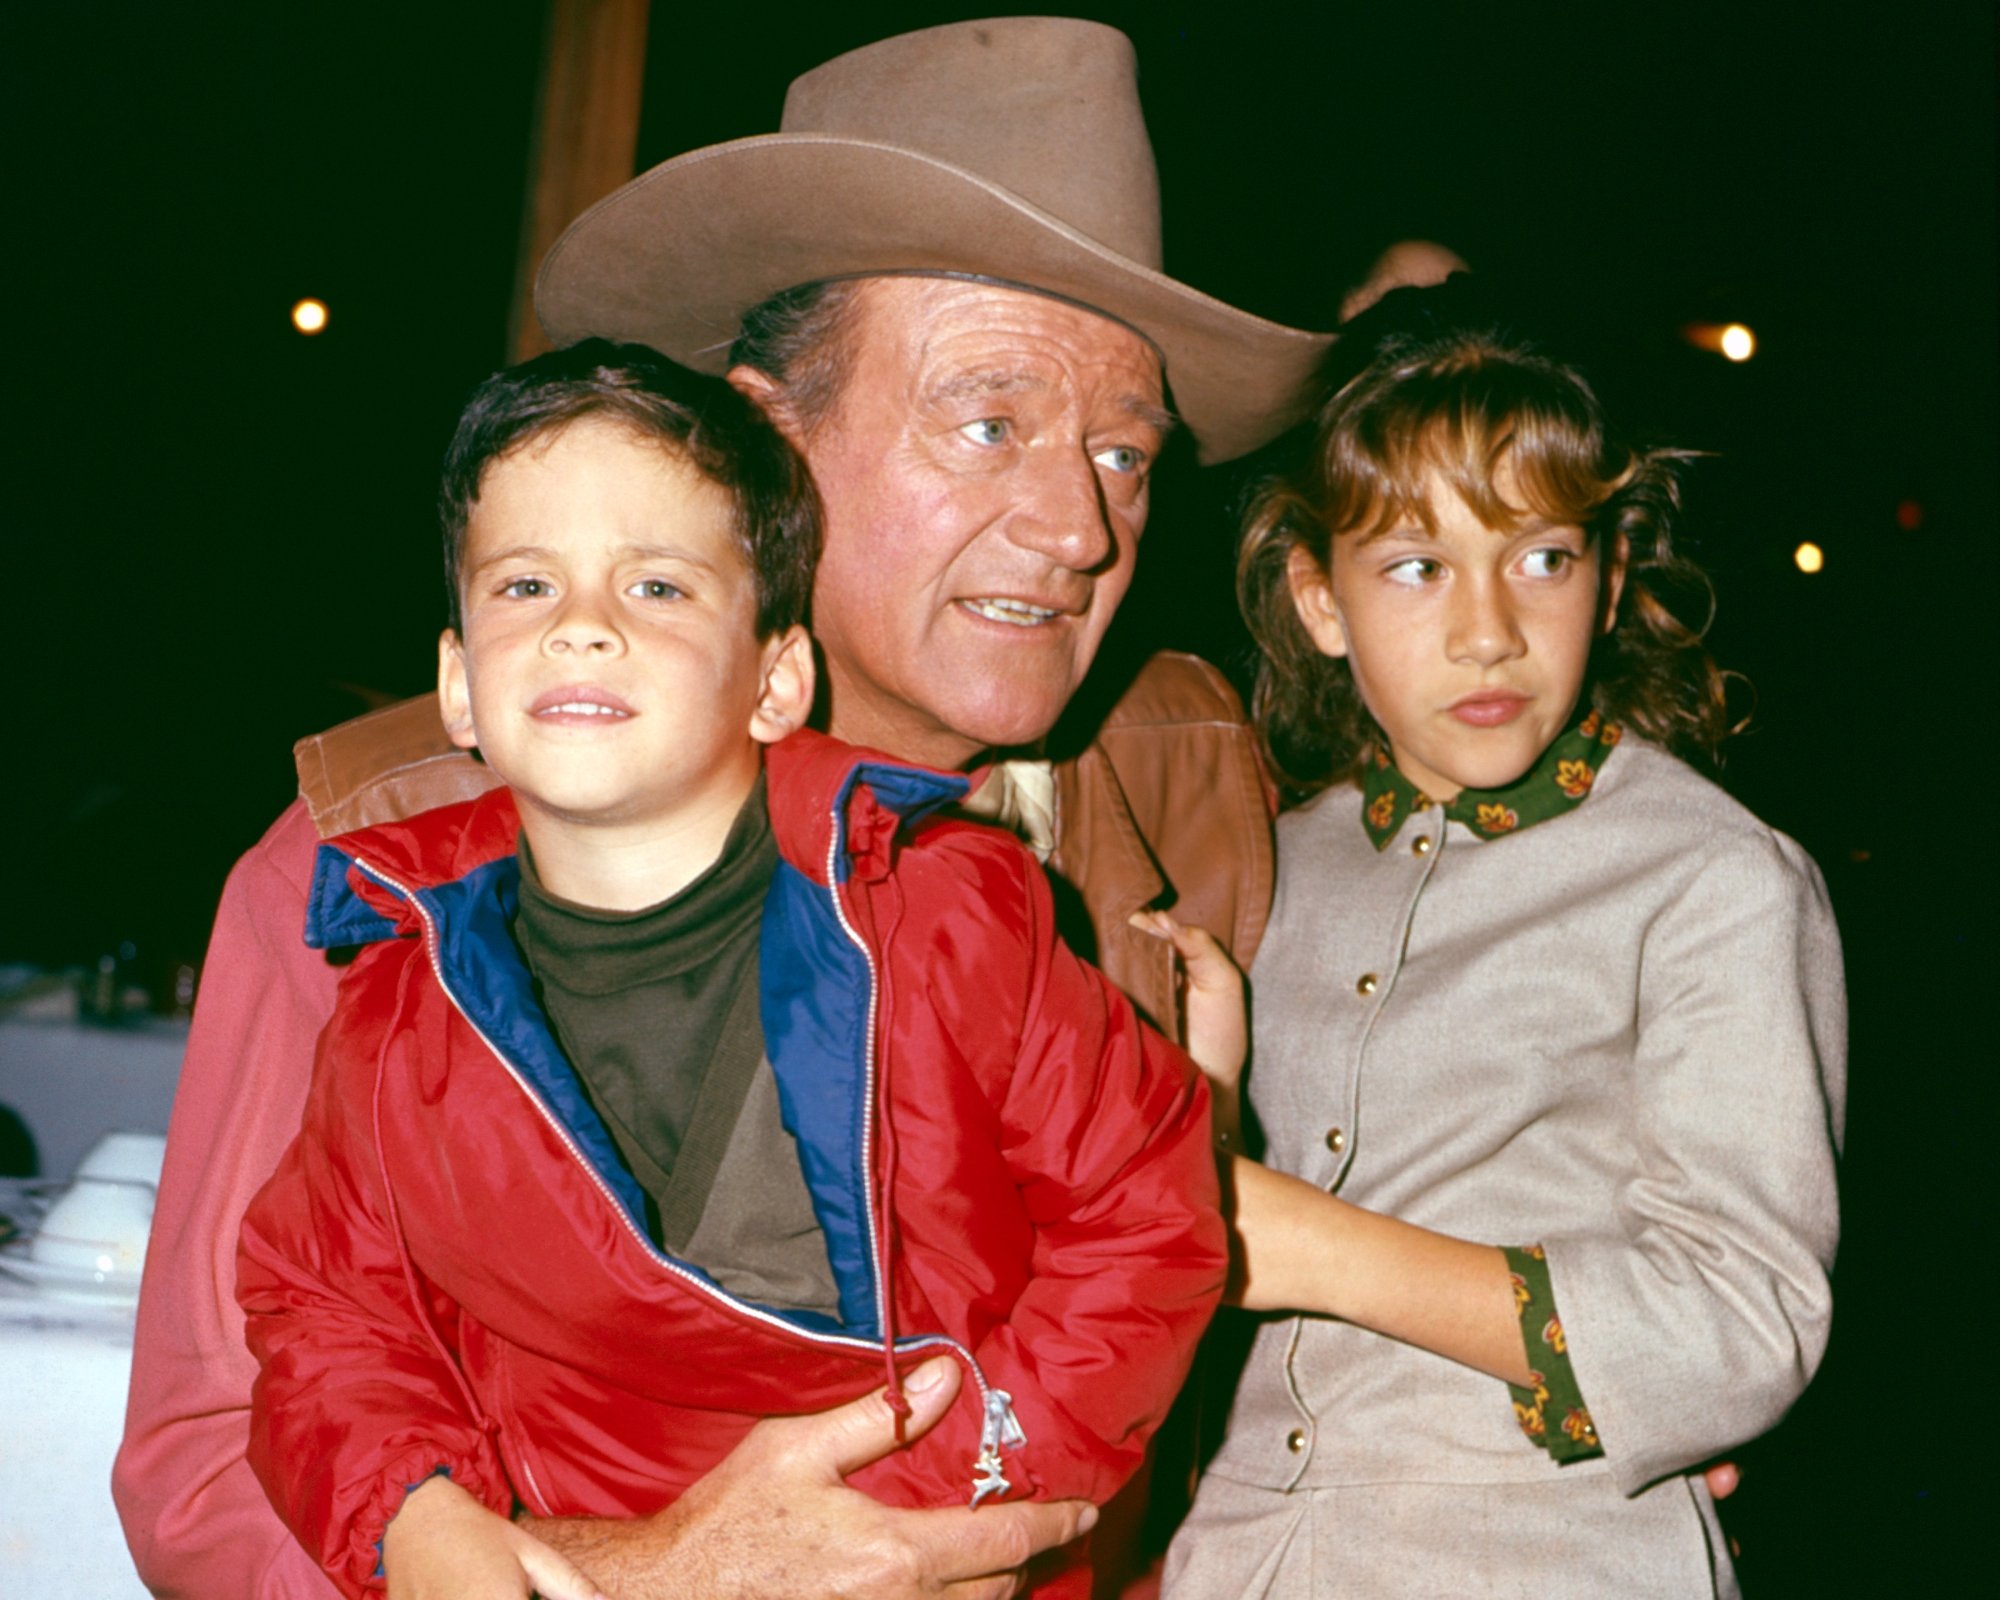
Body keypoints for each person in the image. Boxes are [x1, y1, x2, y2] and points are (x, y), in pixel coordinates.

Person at [116, 20, 1331, 1599]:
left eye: (1125, 453)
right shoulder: (387, 856)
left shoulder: (1185, 786)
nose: (1081, 526)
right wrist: (646, 1574)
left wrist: (1589, 1358)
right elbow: (214, 1471)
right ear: (768, 442)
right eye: (988, 420)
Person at [234, 338, 1223, 1600]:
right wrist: (413, 1523)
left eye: (655, 587)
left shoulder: (946, 914)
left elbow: (1146, 1210)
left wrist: (968, 1494)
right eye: (526, 585)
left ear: (775, 679)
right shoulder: (398, 991)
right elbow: (324, 1305)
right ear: (457, 686)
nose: (581, 627)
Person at [1153, 299, 1845, 1598]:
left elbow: (1743, 1329)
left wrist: (1302, 1247)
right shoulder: (1263, 868)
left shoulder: (1711, 877)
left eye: (1541, 558)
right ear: (1318, 599)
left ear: (1615, 574)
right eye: (1416, 567)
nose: (1489, 631)